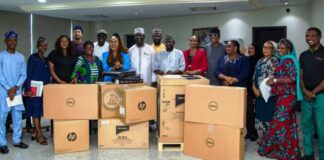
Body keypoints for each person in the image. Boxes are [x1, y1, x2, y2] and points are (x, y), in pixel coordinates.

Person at [258, 38, 302, 160]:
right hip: (284, 95)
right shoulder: (285, 59)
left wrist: (275, 80)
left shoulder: (288, 59)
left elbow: (292, 78)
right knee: (288, 123)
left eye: (283, 48)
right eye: (279, 48)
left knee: (281, 123)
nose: (280, 51)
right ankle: (291, 150)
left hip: (287, 97)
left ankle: (284, 152)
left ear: (289, 49)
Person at [0, 31, 28, 154]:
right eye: (9, 40)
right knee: (2, 117)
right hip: (3, 91)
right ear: (5, 41)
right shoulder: (1, 56)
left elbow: (23, 75)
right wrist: (8, 89)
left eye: (14, 40)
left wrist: (15, 88)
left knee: (17, 117)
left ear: (17, 41)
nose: (12, 42)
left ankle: (17, 140)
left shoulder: (21, 57)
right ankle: (2, 143)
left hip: (16, 92)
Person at [300, 27, 324, 160]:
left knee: (322, 128)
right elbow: (301, 75)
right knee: (306, 125)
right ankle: (309, 154)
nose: (309, 38)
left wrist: (313, 92)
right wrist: (304, 91)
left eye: (313, 35)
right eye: (307, 35)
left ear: (320, 37)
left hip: (321, 96)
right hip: (306, 96)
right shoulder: (303, 55)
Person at [24, 37, 51, 145]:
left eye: (45, 45)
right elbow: (28, 74)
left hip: (44, 89)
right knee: (35, 113)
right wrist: (28, 89)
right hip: (34, 89)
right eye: (41, 45)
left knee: (39, 112)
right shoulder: (33, 58)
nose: (43, 47)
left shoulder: (46, 60)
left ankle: (35, 133)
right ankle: (39, 135)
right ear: (37, 46)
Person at [252, 41, 279, 142]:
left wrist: (261, 91)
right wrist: (254, 88)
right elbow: (254, 76)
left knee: (268, 116)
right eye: (264, 47)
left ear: (273, 50)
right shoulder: (260, 60)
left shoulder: (274, 61)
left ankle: (269, 141)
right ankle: (262, 139)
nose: (266, 49)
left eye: (269, 48)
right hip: (258, 94)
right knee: (259, 116)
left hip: (268, 95)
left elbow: (272, 77)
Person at [245, 43, 260, 141]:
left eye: (252, 48)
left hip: (254, 90)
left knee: (253, 113)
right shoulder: (246, 59)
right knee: (247, 112)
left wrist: (255, 95)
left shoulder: (258, 61)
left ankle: (254, 132)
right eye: (249, 48)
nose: (250, 49)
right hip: (246, 88)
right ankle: (249, 131)